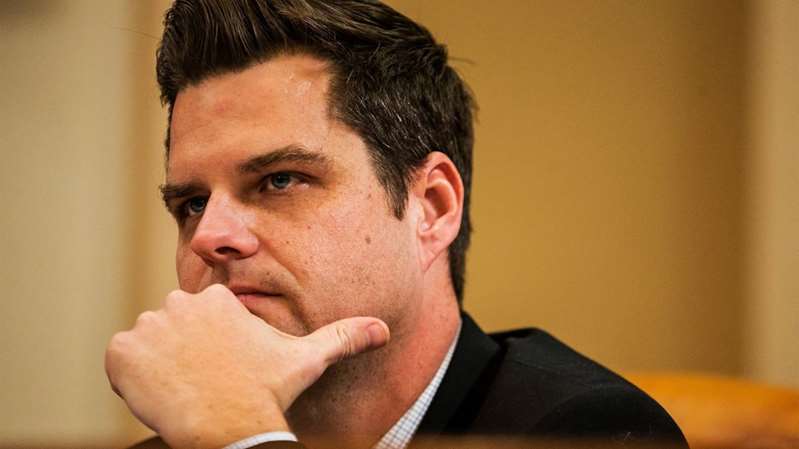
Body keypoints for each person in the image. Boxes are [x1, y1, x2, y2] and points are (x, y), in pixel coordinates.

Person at [104, 1, 689, 448]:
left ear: (431, 207)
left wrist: (243, 438)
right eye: (192, 204)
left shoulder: (583, 430)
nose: (210, 236)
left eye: (280, 180)